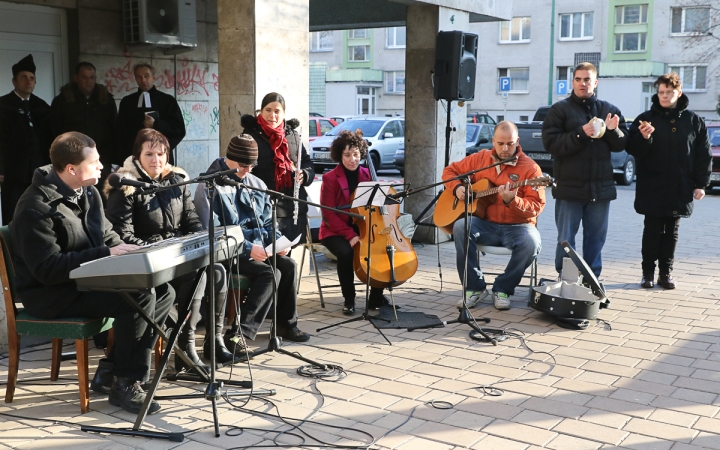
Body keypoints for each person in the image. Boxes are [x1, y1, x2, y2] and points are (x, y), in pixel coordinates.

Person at [10, 131, 174, 414]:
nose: (102, 166)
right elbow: (47, 270)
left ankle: (113, 369)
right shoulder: (34, 208)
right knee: (138, 297)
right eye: (95, 162)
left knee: (162, 290)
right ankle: (126, 382)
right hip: (52, 294)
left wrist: (132, 250)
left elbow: (108, 236)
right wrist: (105, 253)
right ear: (71, 169)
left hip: (88, 280)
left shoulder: (87, 191)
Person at [104, 128, 238, 372]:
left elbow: (192, 220)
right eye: (149, 154)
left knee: (216, 270)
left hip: (176, 255)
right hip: (147, 262)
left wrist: (194, 242)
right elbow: (122, 236)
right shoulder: (124, 186)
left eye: (161, 154)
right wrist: (162, 250)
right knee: (200, 276)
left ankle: (211, 341)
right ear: (136, 157)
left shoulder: (177, 180)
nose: (157, 160)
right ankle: (184, 349)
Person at [194, 134, 310, 348]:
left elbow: (267, 222)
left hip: (259, 247)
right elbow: (212, 231)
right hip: (229, 250)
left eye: (252, 165)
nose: (247, 170)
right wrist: (247, 249)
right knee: (269, 273)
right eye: (243, 165)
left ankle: (285, 324)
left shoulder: (255, 183)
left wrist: (277, 243)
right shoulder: (209, 186)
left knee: (289, 265)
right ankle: (239, 335)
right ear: (229, 158)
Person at [443, 121, 544, 310]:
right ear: (493, 141)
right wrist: (457, 188)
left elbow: (536, 206)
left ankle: (503, 288)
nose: (505, 148)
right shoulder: (479, 159)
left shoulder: (531, 169)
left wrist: (512, 201)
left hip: (519, 226)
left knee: (532, 241)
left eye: (510, 143)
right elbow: (450, 171)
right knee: (460, 226)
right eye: (500, 143)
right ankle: (474, 287)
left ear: (518, 141)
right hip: (486, 224)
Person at [626, 73, 712, 290]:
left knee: (672, 231)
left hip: (679, 186)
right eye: (661, 92)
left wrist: (701, 184)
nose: (664, 96)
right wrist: (644, 138)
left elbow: (703, 154)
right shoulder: (645, 118)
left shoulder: (694, 120)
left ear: (679, 92)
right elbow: (632, 149)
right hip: (652, 185)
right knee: (652, 229)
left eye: (669, 92)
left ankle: (666, 273)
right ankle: (647, 274)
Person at [542, 62, 627, 279]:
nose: (583, 83)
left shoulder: (610, 110)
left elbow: (621, 145)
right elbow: (551, 144)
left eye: (587, 79)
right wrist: (580, 133)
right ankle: (567, 279)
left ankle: (592, 280)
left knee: (596, 239)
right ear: (572, 82)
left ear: (595, 83)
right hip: (569, 190)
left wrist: (613, 130)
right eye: (578, 79)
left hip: (600, 190)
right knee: (566, 239)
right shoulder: (559, 110)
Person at [319, 130, 396, 314]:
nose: (352, 159)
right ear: (339, 155)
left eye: (355, 154)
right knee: (346, 253)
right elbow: (328, 214)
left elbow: (377, 207)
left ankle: (376, 297)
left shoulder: (368, 175)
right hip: (335, 230)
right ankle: (349, 299)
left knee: (382, 249)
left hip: (364, 227)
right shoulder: (330, 179)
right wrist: (350, 235)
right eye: (347, 155)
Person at [240, 92, 314, 243]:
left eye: (277, 111)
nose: (272, 115)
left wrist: (305, 174)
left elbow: (307, 163)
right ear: (261, 111)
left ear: (284, 113)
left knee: (288, 253)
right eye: (268, 110)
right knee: (271, 257)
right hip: (265, 208)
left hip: (293, 207)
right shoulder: (249, 136)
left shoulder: (292, 135)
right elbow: (244, 172)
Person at [0, 54, 52, 224]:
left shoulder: (41, 106)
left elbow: (49, 140)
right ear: (14, 81)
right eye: (24, 78)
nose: (28, 81)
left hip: (38, 172)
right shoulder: (3, 105)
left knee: (38, 213)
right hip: (12, 172)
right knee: (13, 214)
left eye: (32, 78)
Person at [51, 62, 117, 193]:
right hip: (73, 161)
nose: (89, 81)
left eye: (92, 77)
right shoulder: (63, 101)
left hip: (101, 160)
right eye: (84, 77)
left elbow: (115, 130)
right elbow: (54, 132)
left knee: (101, 198)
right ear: (76, 78)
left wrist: (114, 160)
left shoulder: (106, 99)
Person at [115, 63, 185, 165]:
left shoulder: (167, 101)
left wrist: (156, 125)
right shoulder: (127, 102)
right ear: (135, 79)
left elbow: (178, 129)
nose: (143, 80)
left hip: (160, 158)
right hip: (134, 158)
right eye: (139, 77)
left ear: (153, 77)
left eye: (146, 76)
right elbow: (120, 132)